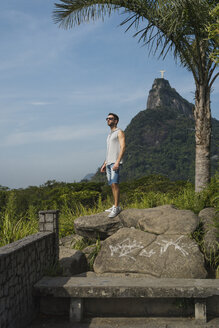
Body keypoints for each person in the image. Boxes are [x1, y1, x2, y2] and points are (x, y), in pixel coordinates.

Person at [100, 113, 125, 218]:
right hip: (109, 162)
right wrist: (104, 163)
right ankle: (115, 205)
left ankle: (116, 207)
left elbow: (123, 147)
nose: (108, 120)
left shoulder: (119, 132)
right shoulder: (109, 135)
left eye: (110, 119)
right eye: (107, 119)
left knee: (115, 183)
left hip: (115, 162)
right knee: (111, 184)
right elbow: (109, 150)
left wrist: (117, 162)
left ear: (116, 121)